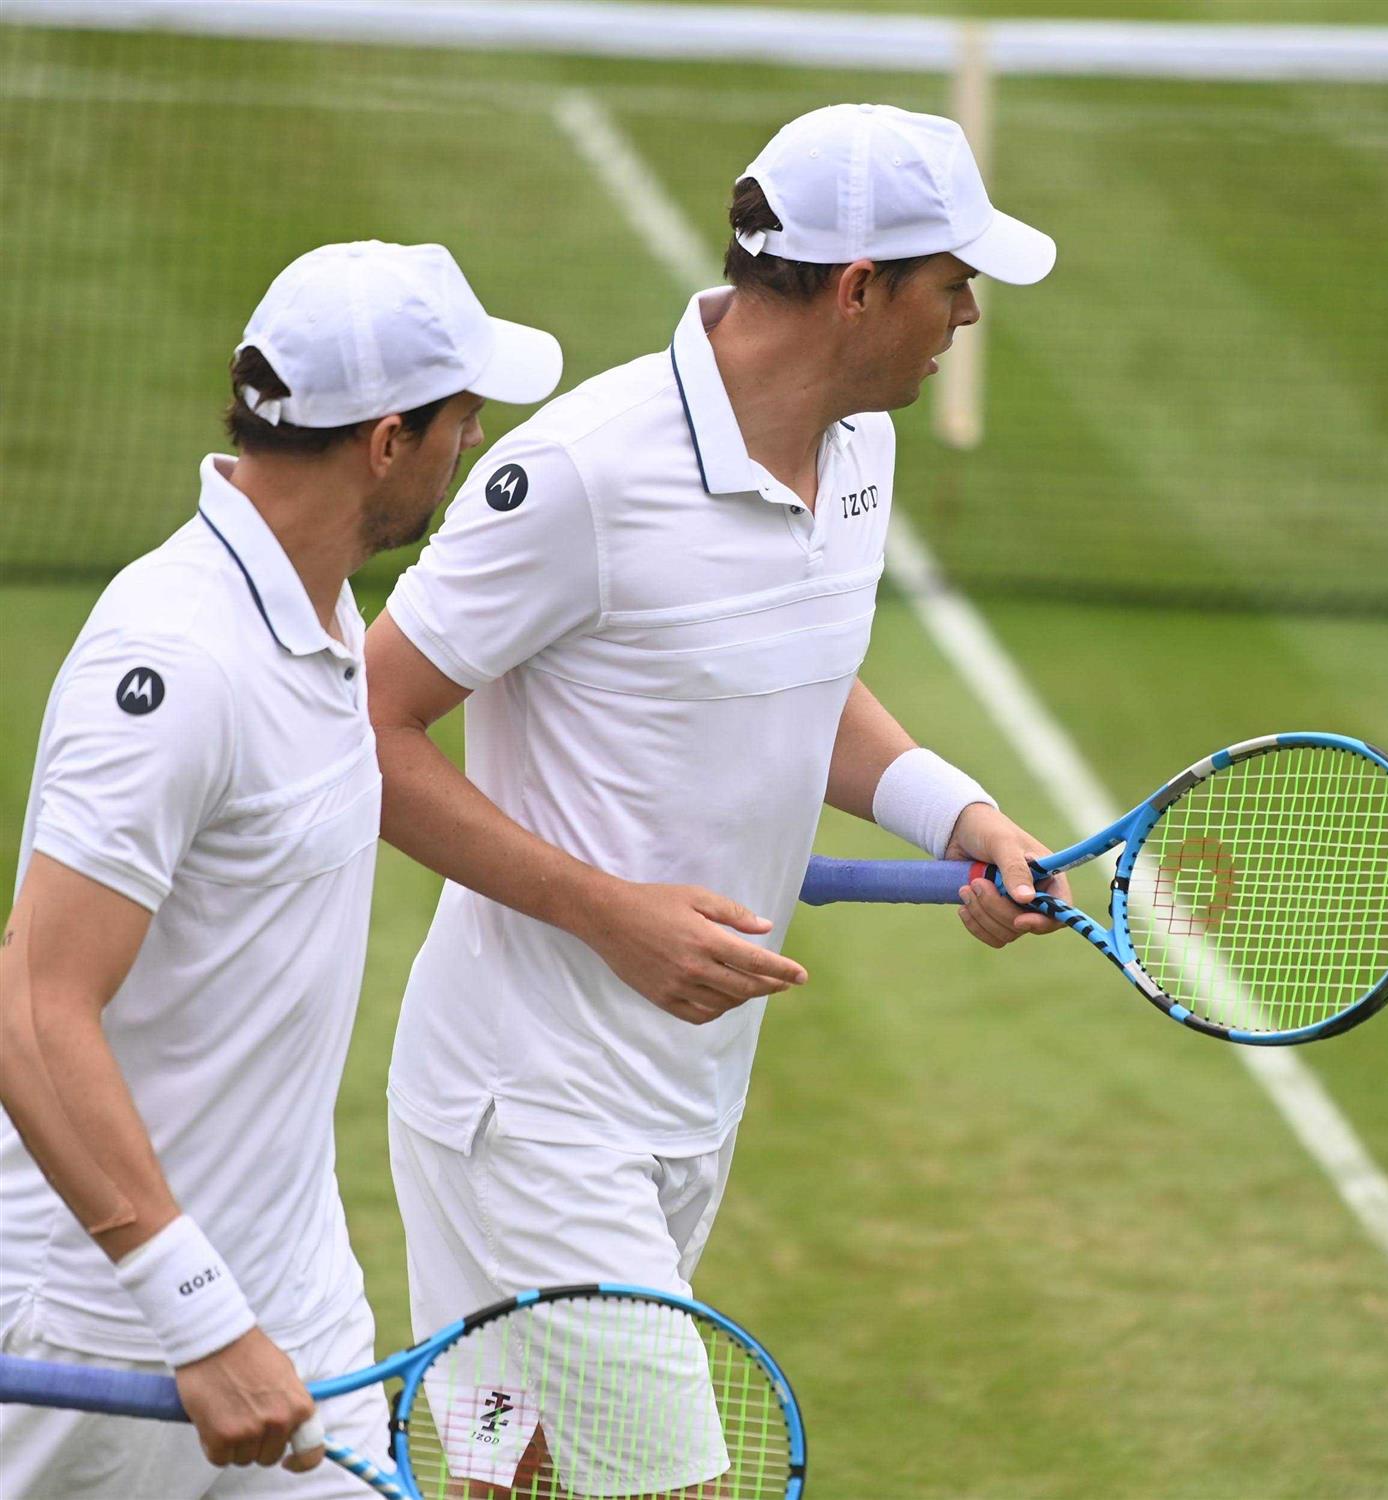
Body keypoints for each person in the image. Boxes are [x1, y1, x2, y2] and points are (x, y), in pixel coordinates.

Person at [366, 105, 1072, 1497]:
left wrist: (961, 817)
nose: (969, 313)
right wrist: (609, 912)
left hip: (686, 1105)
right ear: (860, 288)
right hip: (530, 1110)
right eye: (951, 282)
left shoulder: (859, 448)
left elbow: (794, 677)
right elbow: (366, 727)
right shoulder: (579, 474)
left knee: (518, 1487)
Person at [0, 240, 562, 1497]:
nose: (476, 438)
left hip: (298, 1312)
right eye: (462, 416)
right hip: (107, 1335)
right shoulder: (174, 661)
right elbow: (32, 1009)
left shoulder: (324, 610)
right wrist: (199, 1316)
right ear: (387, 441)